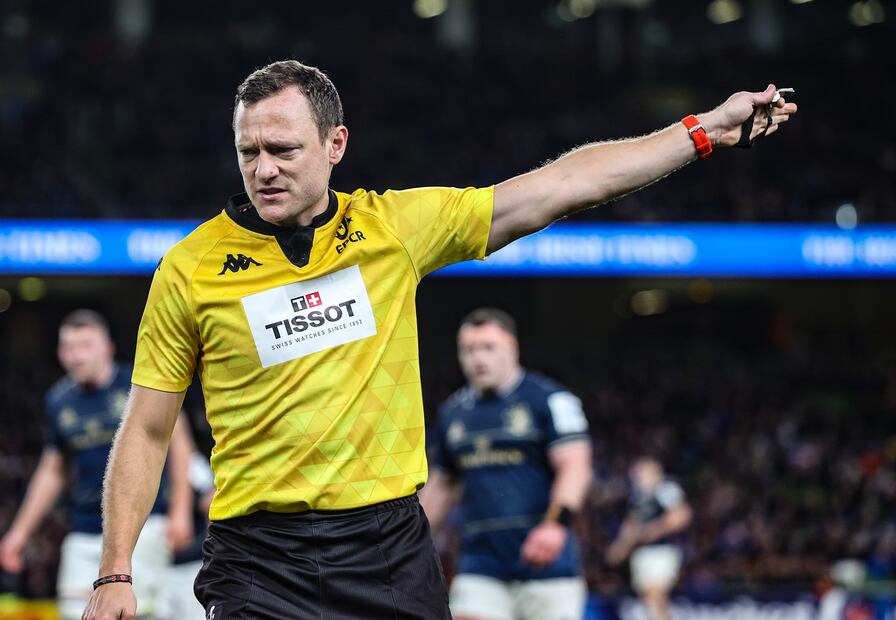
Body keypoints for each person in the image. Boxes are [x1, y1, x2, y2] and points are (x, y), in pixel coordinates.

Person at [83, 59, 797, 620]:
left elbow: (555, 188)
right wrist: (116, 569)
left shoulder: (394, 229)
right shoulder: (189, 269)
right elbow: (147, 431)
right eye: (248, 151)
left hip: (389, 549)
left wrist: (701, 130)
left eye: (283, 149)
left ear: (336, 145)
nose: (263, 168)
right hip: (258, 559)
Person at [0, 309, 193, 620]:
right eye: (68, 347)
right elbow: (52, 471)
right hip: (84, 530)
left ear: (107, 349)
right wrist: (19, 533)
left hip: (142, 525)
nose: (75, 356)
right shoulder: (58, 401)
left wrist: (181, 510)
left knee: (137, 614)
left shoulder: (140, 384)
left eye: (84, 345)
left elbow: (179, 444)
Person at [420, 308, 593, 620]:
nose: (477, 358)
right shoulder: (453, 413)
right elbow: (443, 485)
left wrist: (555, 525)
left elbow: (575, 466)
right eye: (468, 350)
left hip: (548, 566)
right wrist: (411, 540)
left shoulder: (550, 400)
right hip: (480, 564)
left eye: (488, 347)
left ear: (512, 349)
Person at [606, 457, 693, 620]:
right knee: (649, 596)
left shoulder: (665, 489)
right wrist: (620, 548)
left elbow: (682, 515)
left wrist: (654, 530)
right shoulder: (636, 496)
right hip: (642, 553)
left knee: (655, 592)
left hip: (662, 550)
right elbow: (631, 525)